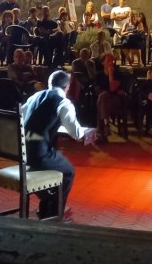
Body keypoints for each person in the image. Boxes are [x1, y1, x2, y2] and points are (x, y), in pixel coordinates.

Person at [20, 70, 97, 221]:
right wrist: (88, 132)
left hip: (23, 152)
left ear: (49, 84)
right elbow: (76, 133)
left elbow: (21, 117)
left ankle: (46, 207)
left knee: (56, 168)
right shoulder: (63, 102)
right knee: (68, 172)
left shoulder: (35, 96)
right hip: (40, 154)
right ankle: (56, 214)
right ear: (67, 87)